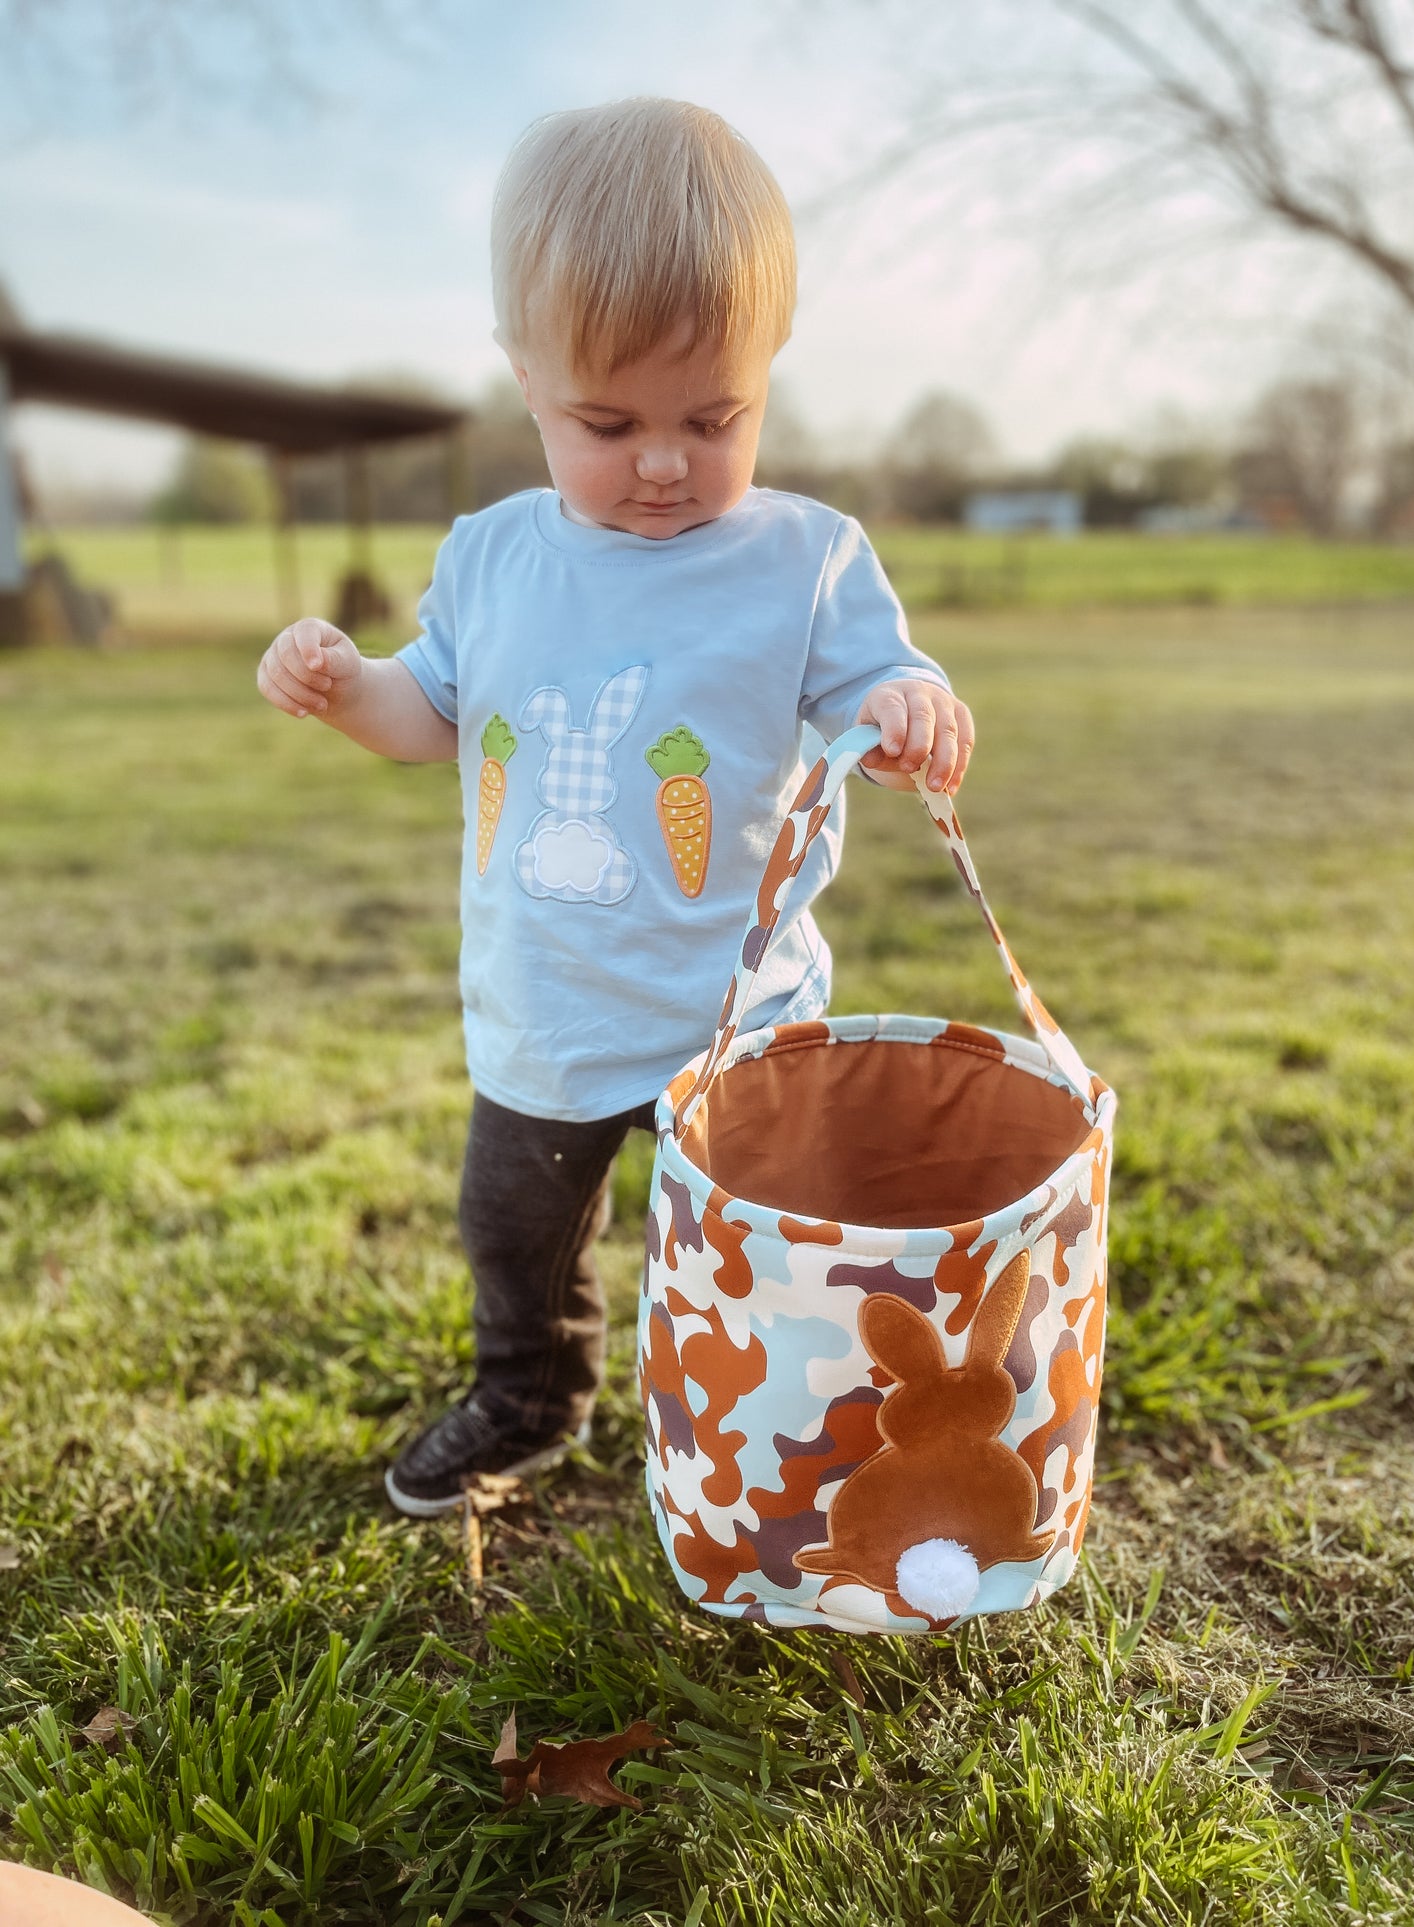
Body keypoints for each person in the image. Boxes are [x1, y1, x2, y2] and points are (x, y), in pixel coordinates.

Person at [256, 98, 974, 1518]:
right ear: (524, 381)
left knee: (764, 1249)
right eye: (607, 421)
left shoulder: (803, 560)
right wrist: (347, 694)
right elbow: (434, 714)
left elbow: (873, 684)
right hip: (548, 1007)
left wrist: (908, 708)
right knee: (513, 1230)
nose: (662, 462)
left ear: (766, 376)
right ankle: (529, 1397)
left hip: (738, 1015)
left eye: (714, 420)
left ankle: (787, 1421)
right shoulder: (492, 558)